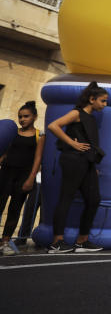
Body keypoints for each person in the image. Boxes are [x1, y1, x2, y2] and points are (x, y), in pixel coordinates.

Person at [46, 82, 109, 253]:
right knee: (66, 198)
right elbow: (53, 126)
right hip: (73, 160)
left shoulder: (91, 118)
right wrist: (72, 144)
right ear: (91, 99)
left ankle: (82, 241)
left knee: (94, 199)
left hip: (86, 162)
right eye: (103, 101)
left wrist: (92, 165)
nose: (104, 105)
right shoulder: (77, 113)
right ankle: (57, 242)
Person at [0, 101, 44, 256]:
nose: (22, 119)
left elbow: (38, 159)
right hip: (5, 173)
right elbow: (4, 152)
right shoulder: (12, 133)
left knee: (14, 210)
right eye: (20, 117)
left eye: (26, 116)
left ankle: (5, 242)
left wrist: (31, 178)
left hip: (24, 176)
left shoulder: (39, 135)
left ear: (34, 117)